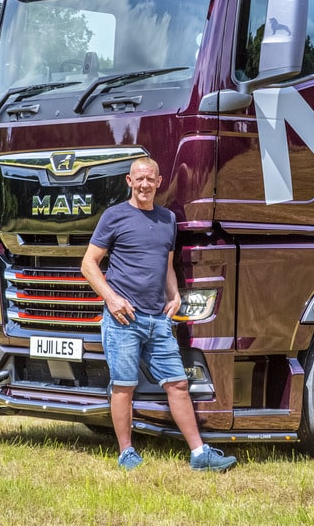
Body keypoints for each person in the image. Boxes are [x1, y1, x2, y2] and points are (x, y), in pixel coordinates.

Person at [80, 156, 236, 472]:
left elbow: (165, 266)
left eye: (150, 178)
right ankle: (126, 453)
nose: (144, 184)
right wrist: (111, 299)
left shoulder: (167, 220)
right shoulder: (114, 216)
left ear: (159, 182)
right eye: (139, 178)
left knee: (177, 383)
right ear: (129, 181)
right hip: (123, 319)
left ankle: (199, 453)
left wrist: (174, 294)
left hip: (157, 320)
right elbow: (88, 264)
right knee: (124, 385)